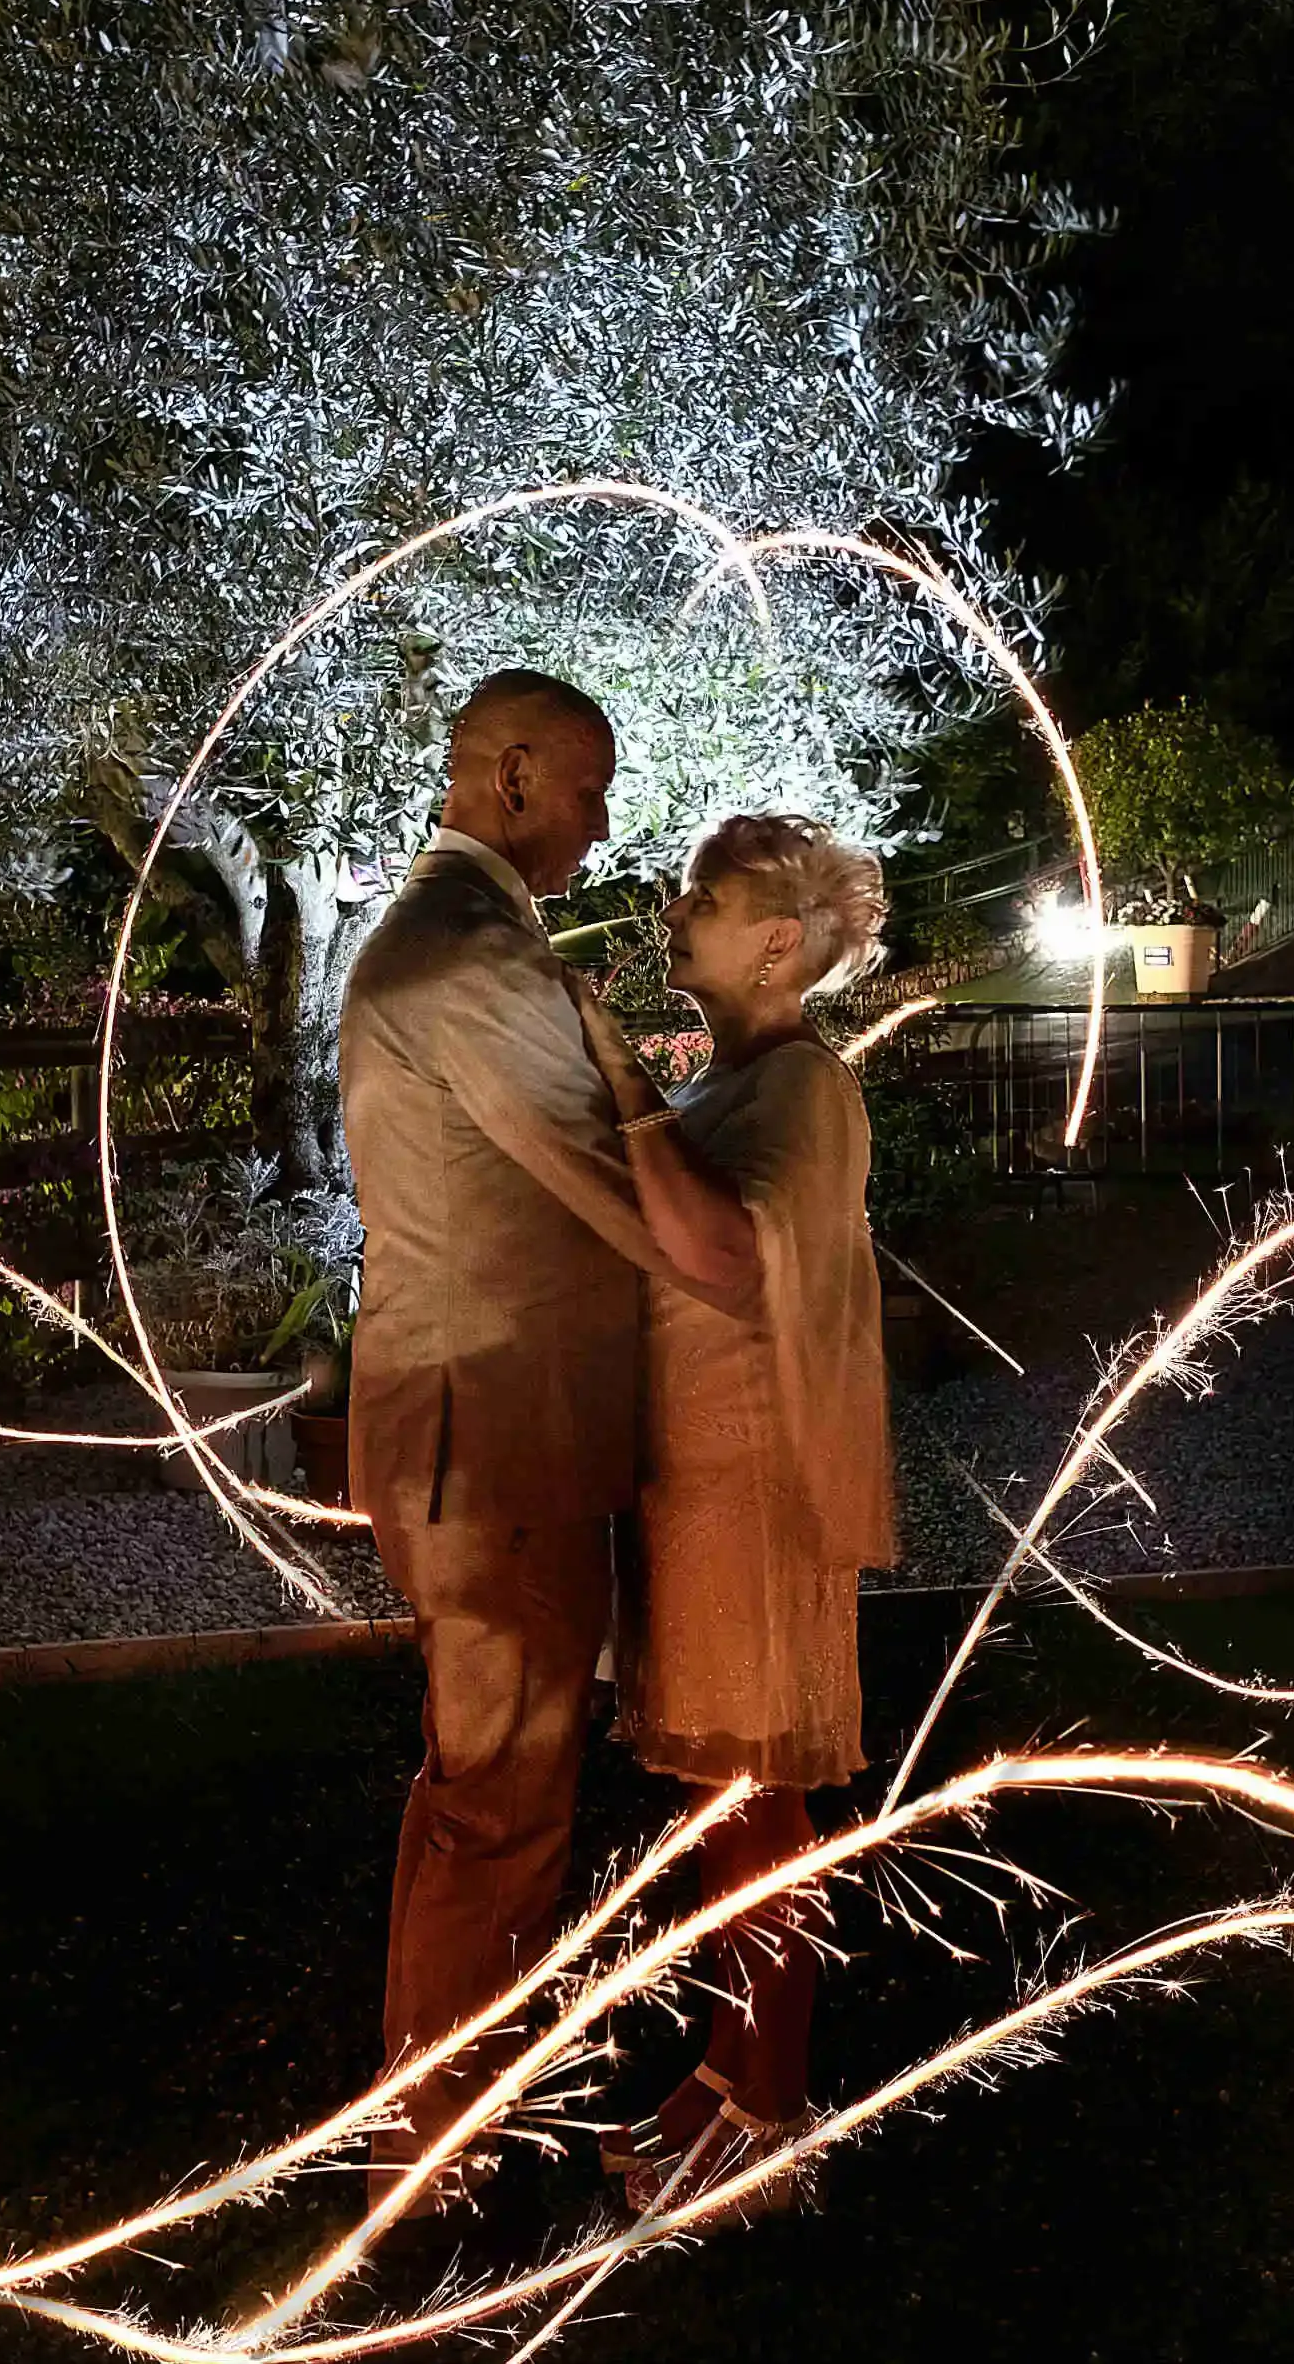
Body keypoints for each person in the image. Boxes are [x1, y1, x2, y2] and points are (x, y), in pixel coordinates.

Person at [336, 668, 672, 2210]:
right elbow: (619, 1181)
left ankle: (442, 2090)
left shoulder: (451, 941)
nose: (603, 832)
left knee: (483, 1782)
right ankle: (452, 2137)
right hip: (499, 1437)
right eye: (592, 794)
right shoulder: (471, 956)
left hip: (468, 1421)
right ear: (518, 774)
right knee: (504, 1793)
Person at [563, 813, 897, 2209]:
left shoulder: (808, 1088)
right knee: (723, 1814)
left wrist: (620, 1074)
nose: (672, 907)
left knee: (758, 1814)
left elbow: (722, 1250)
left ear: (777, 943)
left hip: (753, 1499)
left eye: (706, 896)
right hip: (696, 1491)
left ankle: (769, 2113)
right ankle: (726, 2072)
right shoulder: (745, 1081)